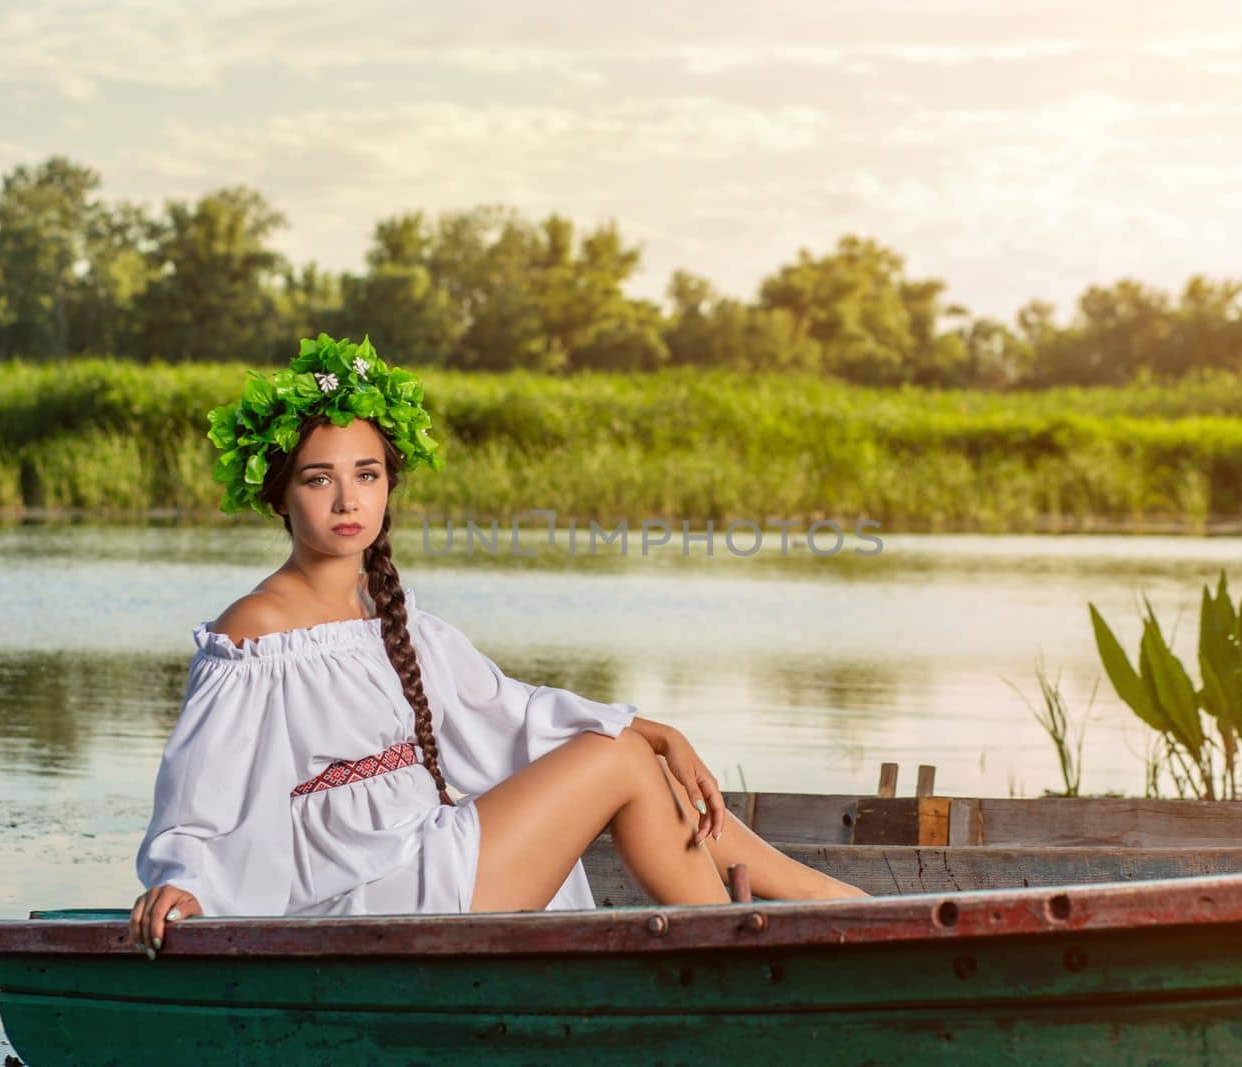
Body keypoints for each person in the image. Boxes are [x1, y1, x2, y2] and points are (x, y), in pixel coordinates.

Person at [129, 335, 864, 957]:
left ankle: (809, 901)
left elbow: (507, 709)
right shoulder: (253, 632)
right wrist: (184, 877)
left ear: (389, 484)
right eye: (319, 479)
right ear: (280, 492)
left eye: (368, 474)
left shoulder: (387, 609)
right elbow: (195, 801)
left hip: (427, 849)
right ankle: (739, 951)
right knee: (616, 756)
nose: (349, 501)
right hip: (368, 888)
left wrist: (655, 727)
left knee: (628, 749)